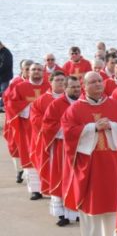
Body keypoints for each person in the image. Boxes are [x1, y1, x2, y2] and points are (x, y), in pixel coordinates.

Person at [61, 72, 117, 236]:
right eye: (93, 82)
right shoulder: (75, 109)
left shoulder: (115, 105)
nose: (98, 84)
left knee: (114, 202)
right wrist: (92, 128)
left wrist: (113, 126)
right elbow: (68, 132)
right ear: (84, 85)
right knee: (92, 204)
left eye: (100, 81)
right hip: (89, 164)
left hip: (112, 162)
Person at [6, 62, 51, 200]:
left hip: (46, 128)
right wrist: (32, 108)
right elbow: (11, 104)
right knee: (30, 156)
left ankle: (49, 186)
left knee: (47, 157)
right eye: (33, 70)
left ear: (43, 72)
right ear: (28, 72)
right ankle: (35, 190)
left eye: (39, 69)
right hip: (28, 128)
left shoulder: (49, 86)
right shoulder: (20, 87)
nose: (36, 72)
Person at [41, 75, 81, 226]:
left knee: (78, 179)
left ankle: (77, 211)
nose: (77, 90)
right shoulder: (56, 105)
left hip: (80, 147)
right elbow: (48, 126)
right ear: (65, 88)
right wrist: (70, 130)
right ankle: (63, 213)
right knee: (62, 179)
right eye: (73, 87)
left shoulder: (84, 103)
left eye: (78, 87)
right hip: (62, 148)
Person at [30, 71, 67, 200]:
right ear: (50, 82)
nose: (61, 82)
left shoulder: (73, 99)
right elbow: (35, 119)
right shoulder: (41, 100)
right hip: (51, 141)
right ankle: (57, 200)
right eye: (57, 80)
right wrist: (55, 129)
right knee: (55, 171)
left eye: (63, 80)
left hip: (71, 140)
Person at [0, 41, 13, 112]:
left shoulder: (6, 53)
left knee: (4, 92)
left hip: (5, 76)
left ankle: (2, 106)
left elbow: (5, 65)